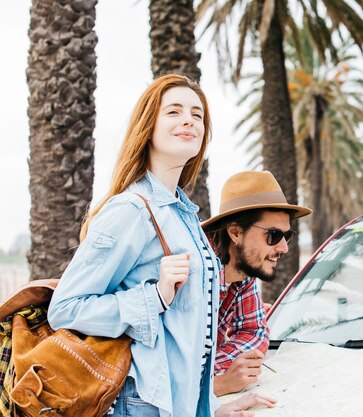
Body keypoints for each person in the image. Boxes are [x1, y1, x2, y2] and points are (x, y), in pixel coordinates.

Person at [47, 74, 275, 417]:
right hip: (139, 403)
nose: (189, 120)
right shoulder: (131, 210)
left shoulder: (183, 214)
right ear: (148, 126)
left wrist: (210, 408)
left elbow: (192, 341)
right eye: (174, 111)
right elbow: (65, 308)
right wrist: (152, 297)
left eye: (198, 115)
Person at [201, 170, 312, 396]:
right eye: (273, 235)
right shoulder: (194, 277)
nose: (284, 248)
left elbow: (255, 332)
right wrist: (218, 384)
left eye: (286, 236)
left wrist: (214, 368)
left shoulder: (244, 272)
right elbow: (163, 372)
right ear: (235, 233)